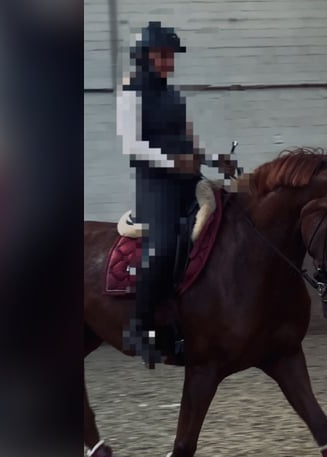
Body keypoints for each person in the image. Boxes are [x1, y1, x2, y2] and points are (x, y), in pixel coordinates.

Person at [116, 21, 236, 367]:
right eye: (162, 56)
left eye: (171, 57)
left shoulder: (173, 96)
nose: (168, 63)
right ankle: (138, 326)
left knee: (226, 223)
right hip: (155, 182)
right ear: (145, 55)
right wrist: (172, 161)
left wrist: (215, 160)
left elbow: (190, 144)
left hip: (185, 176)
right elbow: (132, 145)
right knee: (165, 244)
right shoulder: (131, 91)